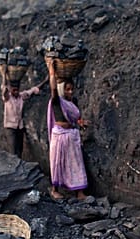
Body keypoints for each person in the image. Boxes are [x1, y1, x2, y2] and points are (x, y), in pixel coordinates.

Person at [45, 57, 89, 201]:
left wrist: (80, 122)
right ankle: (55, 189)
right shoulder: (57, 100)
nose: (70, 92)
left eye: (72, 89)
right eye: (67, 89)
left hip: (71, 135)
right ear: (61, 90)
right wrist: (51, 71)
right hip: (59, 135)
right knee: (58, 162)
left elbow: (75, 118)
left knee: (76, 163)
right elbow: (52, 88)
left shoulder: (72, 102)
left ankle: (79, 192)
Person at [0, 65, 48, 158]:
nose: (16, 92)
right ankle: (13, 169)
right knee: (12, 150)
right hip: (10, 127)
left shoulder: (22, 96)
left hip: (19, 127)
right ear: (10, 90)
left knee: (19, 149)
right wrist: (4, 74)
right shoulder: (7, 98)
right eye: (14, 90)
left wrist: (45, 81)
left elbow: (33, 90)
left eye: (17, 90)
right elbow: (4, 88)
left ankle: (19, 167)